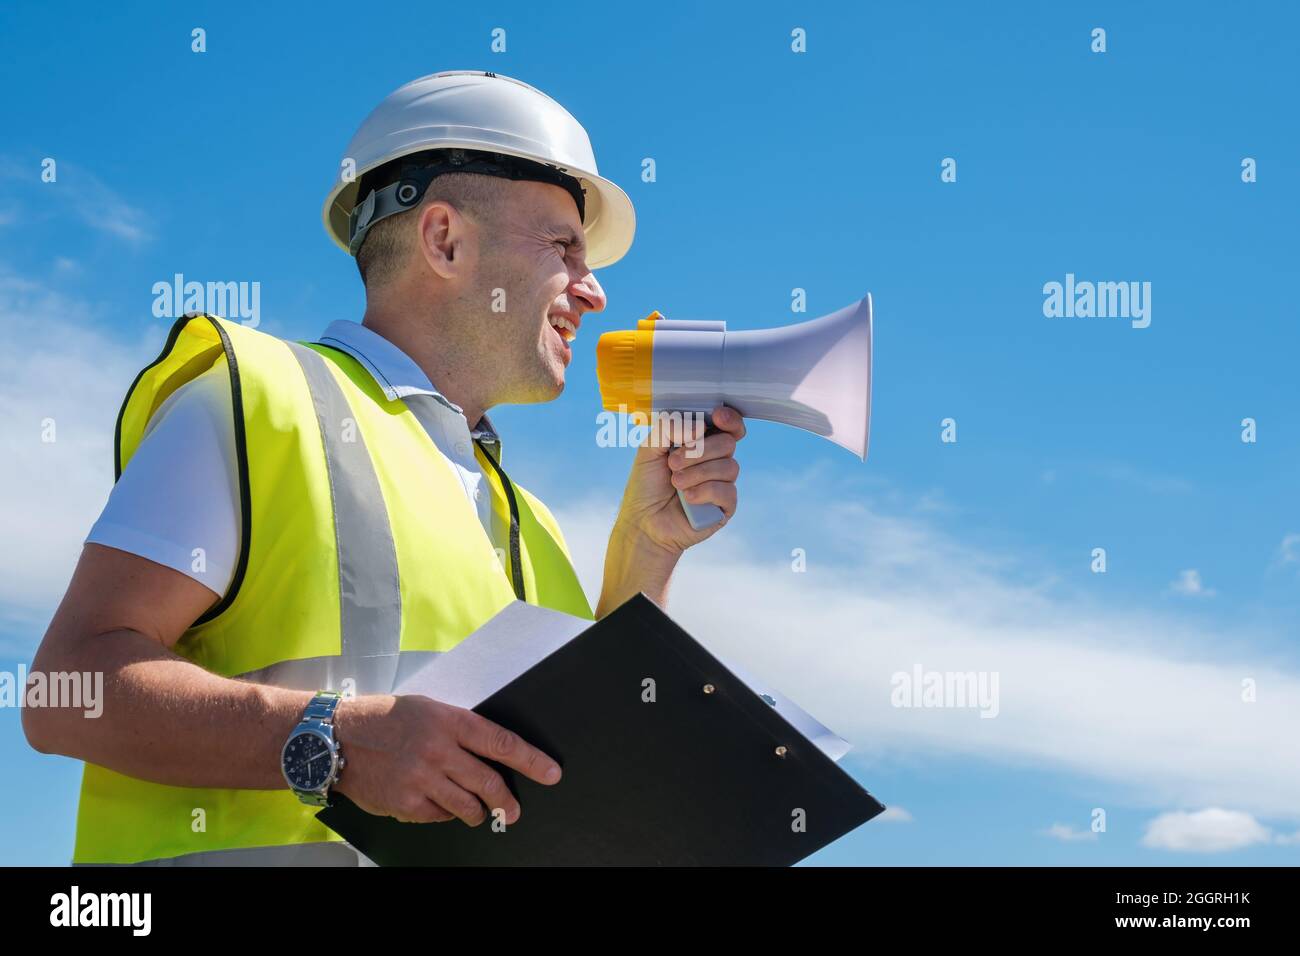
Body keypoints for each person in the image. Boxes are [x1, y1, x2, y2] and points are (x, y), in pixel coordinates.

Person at [23, 70, 745, 865]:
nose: (595, 290)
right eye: (563, 246)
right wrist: (337, 741)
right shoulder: (264, 400)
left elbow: (581, 769)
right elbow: (65, 692)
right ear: (443, 239)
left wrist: (649, 551)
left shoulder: (526, 521)